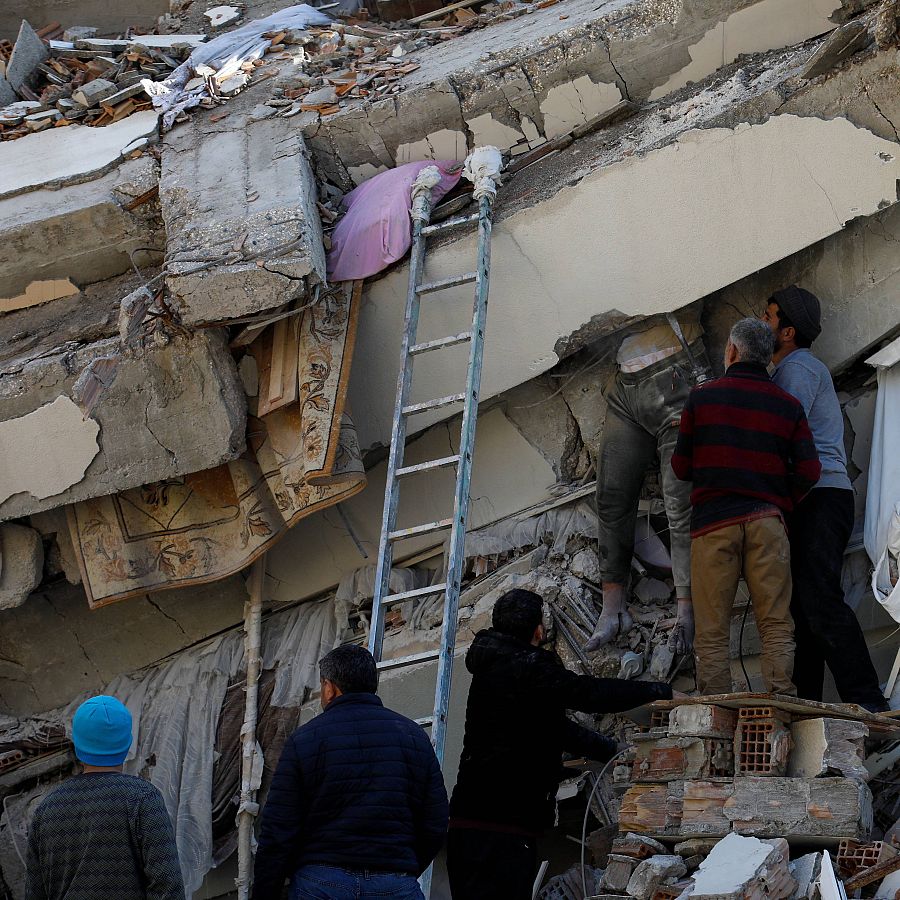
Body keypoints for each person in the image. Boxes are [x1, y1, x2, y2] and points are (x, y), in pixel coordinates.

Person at [448, 588, 674, 900]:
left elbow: (551, 727)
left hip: (469, 822)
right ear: (538, 630)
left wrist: (611, 751)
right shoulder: (528, 665)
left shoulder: (491, 667)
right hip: (504, 825)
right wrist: (658, 692)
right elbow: (587, 693)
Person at [672, 318, 821, 696]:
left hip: (713, 525)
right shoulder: (788, 405)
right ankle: (780, 708)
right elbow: (809, 471)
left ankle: (718, 713)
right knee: (776, 624)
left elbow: (680, 467)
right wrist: (779, 501)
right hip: (767, 521)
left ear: (732, 351)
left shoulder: (701, 398)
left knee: (712, 631)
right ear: (768, 357)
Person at [763, 287, 889, 712]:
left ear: (787, 332)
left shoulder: (797, 368)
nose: (763, 323)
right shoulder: (793, 369)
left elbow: (782, 428)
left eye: (769, 317)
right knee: (803, 609)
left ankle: (869, 703)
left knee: (818, 599)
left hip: (819, 496)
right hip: (814, 497)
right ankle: (808, 709)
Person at [252, 644, 448, 900]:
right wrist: (401, 868)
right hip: (394, 882)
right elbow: (435, 820)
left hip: (320, 883)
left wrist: (266, 891)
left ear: (329, 688)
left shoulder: (304, 740)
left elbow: (278, 829)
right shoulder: (413, 736)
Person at [588, 307, 711, 655]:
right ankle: (613, 610)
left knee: (680, 503)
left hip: (677, 374)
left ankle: (686, 611)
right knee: (611, 497)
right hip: (626, 387)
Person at [25, 695, 185, 900]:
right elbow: (168, 887)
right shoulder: (143, 799)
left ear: (78, 746)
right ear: (127, 744)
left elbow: (34, 893)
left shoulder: (46, 809)